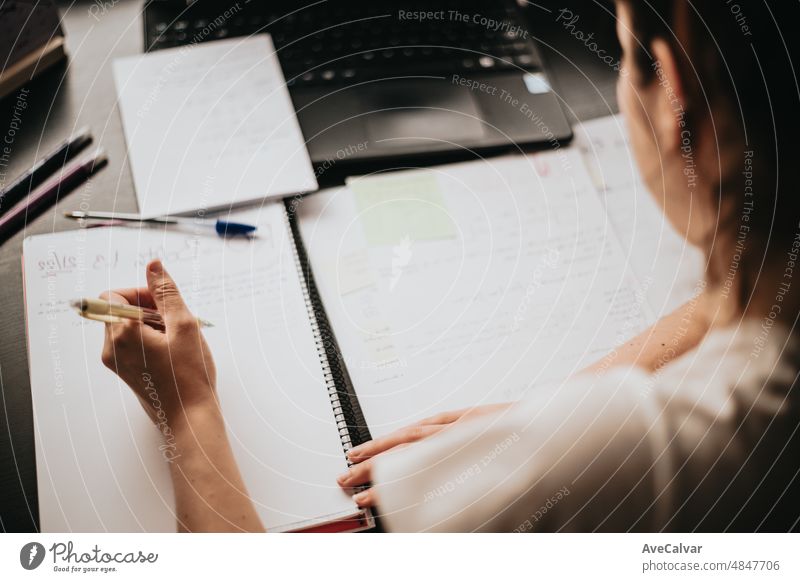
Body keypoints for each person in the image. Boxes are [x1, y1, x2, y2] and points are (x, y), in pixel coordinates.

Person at [101, 0, 800, 532]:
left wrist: (185, 408)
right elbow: (736, 304)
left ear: (673, 98)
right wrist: (562, 415)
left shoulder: (652, 453)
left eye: (620, 57)